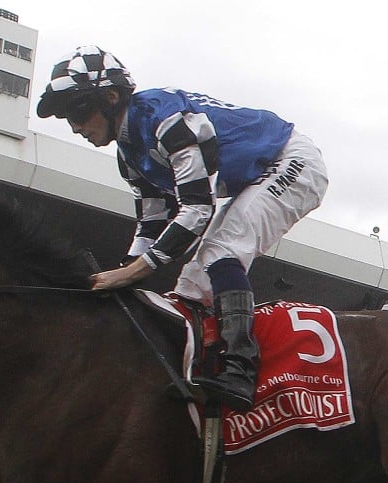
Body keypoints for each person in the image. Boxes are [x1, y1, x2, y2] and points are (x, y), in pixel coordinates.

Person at [36, 45, 329, 412]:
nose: (75, 126)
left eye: (77, 111)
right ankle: (202, 366)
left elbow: (197, 210)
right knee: (191, 283)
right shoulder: (128, 155)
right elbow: (151, 223)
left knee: (223, 252)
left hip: (293, 161)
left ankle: (241, 369)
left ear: (111, 98)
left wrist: (131, 274)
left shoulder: (165, 121)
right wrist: (120, 278)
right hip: (255, 175)